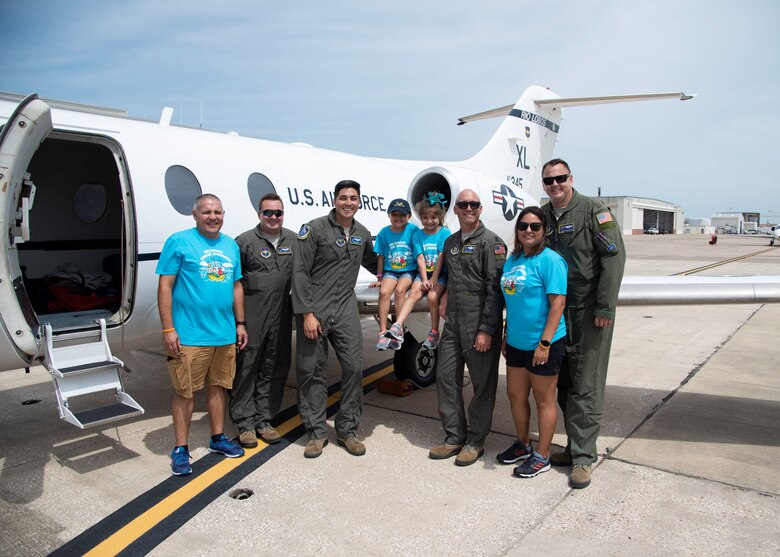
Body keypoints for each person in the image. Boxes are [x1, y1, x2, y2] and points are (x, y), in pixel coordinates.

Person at [540, 158, 626, 489]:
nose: (555, 185)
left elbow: (614, 256)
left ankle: (584, 458)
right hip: (555, 312)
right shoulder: (543, 216)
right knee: (561, 380)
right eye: (549, 181)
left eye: (560, 178)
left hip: (588, 312)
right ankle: (574, 445)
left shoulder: (593, 211)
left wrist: (605, 305)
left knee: (585, 383)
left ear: (571, 178)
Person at [156, 193, 248, 476]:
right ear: (195, 214)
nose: (213, 217)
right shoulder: (179, 241)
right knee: (184, 392)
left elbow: (236, 286)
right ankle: (181, 448)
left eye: (218, 212)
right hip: (190, 335)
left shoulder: (230, 245)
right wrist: (168, 328)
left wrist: (240, 323)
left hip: (223, 334)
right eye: (207, 212)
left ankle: (218, 438)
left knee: (218, 387)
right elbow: (165, 286)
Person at [292, 180, 378, 458]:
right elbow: (301, 272)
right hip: (314, 310)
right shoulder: (314, 229)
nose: (348, 203)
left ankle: (347, 430)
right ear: (335, 200)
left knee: (353, 368)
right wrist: (306, 314)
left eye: (353, 198)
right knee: (311, 371)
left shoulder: (362, 233)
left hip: (344, 309)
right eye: (343, 198)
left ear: (359, 202)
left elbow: (375, 263)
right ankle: (316, 433)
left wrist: (395, 278)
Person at [428, 189, 506, 466]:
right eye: (463, 204)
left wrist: (487, 329)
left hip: (479, 323)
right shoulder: (450, 243)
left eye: (473, 204)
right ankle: (453, 437)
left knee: (482, 385)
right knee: (446, 378)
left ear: (480, 209)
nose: (468, 208)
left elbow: (495, 290)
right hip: (454, 322)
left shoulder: (491, 243)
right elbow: (449, 276)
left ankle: (475, 441)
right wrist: (445, 294)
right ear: (456, 209)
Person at [497, 207, 567, 478]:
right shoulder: (512, 260)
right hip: (516, 342)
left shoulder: (551, 261)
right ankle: (523, 444)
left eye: (535, 226)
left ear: (544, 230)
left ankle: (543, 454)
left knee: (543, 400)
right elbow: (511, 301)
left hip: (544, 344)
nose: (528, 230)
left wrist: (545, 344)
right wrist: (506, 332)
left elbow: (558, 303)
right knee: (515, 395)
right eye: (523, 225)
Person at [230, 193, 296, 448]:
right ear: (259, 215)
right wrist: (240, 322)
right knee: (247, 367)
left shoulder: (293, 240)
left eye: (277, 213)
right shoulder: (245, 242)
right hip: (253, 311)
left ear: (283, 215)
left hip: (282, 311)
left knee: (275, 367)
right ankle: (245, 424)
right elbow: (233, 282)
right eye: (267, 212)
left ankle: (265, 420)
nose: (273, 217)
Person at [386, 192, 450, 350]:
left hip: (440, 273)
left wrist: (433, 278)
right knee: (414, 293)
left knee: (432, 297)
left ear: (440, 217)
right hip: (424, 274)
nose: (429, 222)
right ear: (420, 218)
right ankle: (397, 325)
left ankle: (434, 332)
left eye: (433, 218)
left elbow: (442, 256)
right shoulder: (418, 235)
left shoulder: (445, 233)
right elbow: (420, 258)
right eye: (425, 218)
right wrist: (424, 279)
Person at [373, 198, 419, 350]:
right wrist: (379, 277)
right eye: (395, 214)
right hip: (391, 271)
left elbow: (420, 253)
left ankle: (398, 329)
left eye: (402, 215)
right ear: (389, 215)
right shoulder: (383, 233)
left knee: (400, 290)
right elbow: (381, 257)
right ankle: (382, 331)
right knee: (384, 292)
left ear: (409, 216)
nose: (398, 218)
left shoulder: (413, 230)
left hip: (408, 271)